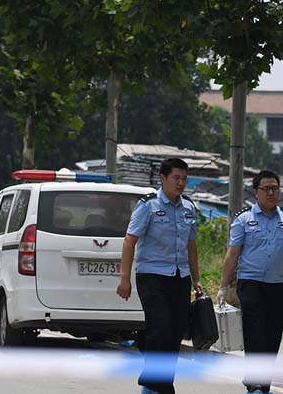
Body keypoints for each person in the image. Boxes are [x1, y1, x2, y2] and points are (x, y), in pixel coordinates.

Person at [217, 170, 283, 394]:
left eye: (275, 188)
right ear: (256, 192)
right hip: (251, 285)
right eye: (266, 188)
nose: (271, 192)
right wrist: (223, 287)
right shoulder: (244, 219)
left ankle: (262, 386)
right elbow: (232, 254)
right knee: (255, 334)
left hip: (276, 287)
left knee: (272, 337)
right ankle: (254, 385)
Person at [117, 157, 203, 394]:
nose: (181, 183)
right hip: (151, 276)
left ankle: (160, 382)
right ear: (162, 178)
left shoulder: (188, 208)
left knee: (176, 331)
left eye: (184, 178)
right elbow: (129, 240)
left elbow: (191, 246)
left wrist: (196, 279)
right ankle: (154, 384)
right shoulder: (148, 205)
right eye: (176, 178)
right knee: (160, 327)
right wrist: (124, 279)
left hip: (180, 277)